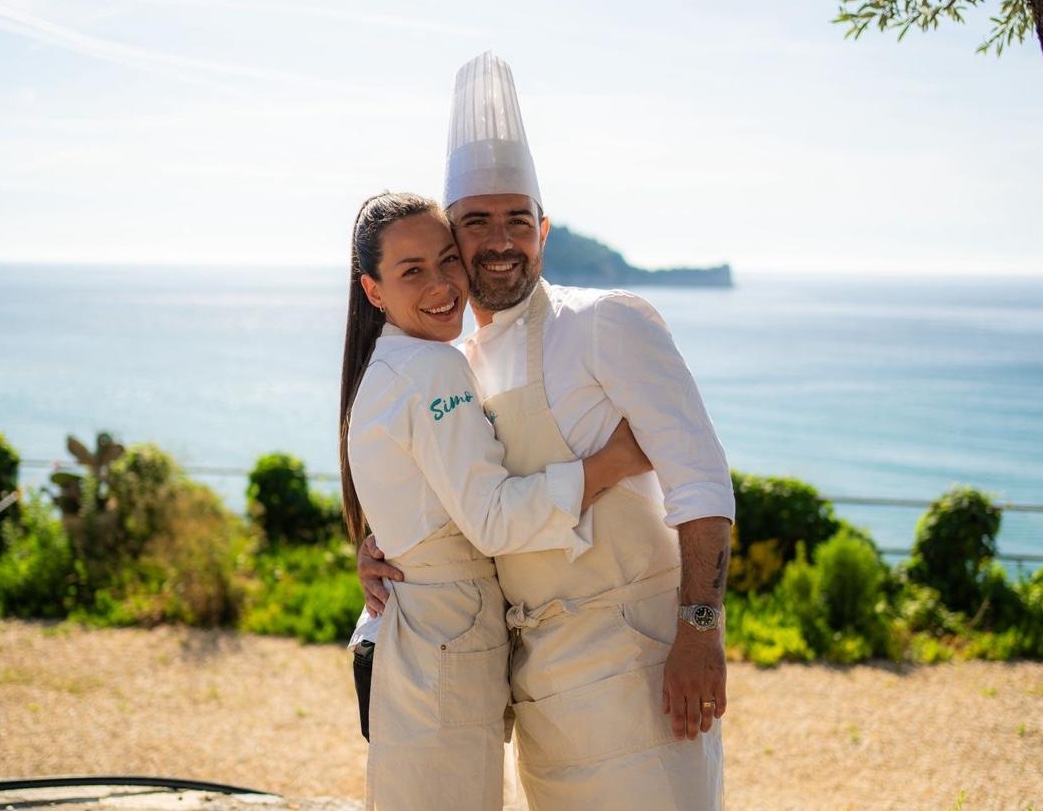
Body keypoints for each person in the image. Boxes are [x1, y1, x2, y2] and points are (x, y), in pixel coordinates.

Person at [359, 53, 736, 811]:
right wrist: (388, 547)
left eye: (517, 221)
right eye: (476, 223)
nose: (500, 241)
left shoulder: (608, 324)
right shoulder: (454, 364)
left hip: (641, 671)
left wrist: (700, 631)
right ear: (453, 243)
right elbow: (469, 507)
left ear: (544, 228)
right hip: (538, 691)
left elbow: (701, 481)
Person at [339, 191, 650, 811]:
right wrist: (610, 463)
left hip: (414, 627)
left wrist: (385, 548)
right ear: (373, 291)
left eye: (448, 259)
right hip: (447, 633)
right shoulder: (433, 370)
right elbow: (491, 520)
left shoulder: (386, 369)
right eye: (412, 271)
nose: (441, 284)